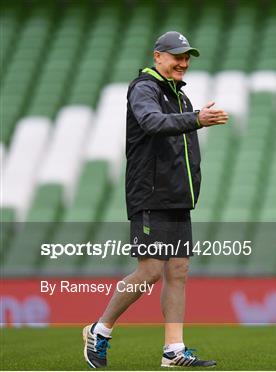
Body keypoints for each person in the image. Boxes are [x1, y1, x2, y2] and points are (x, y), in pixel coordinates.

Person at [82, 31, 228, 368]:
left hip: (176, 197)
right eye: (177, 56)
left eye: (187, 56)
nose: (184, 62)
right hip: (150, 195)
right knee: (149, 272)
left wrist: (194, 118)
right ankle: (100, 330)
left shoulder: (180, 97)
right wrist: (196, 120)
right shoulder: (144, 88)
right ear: (157, 56)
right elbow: (150, 122)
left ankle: (173, 351)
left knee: (178, 271)